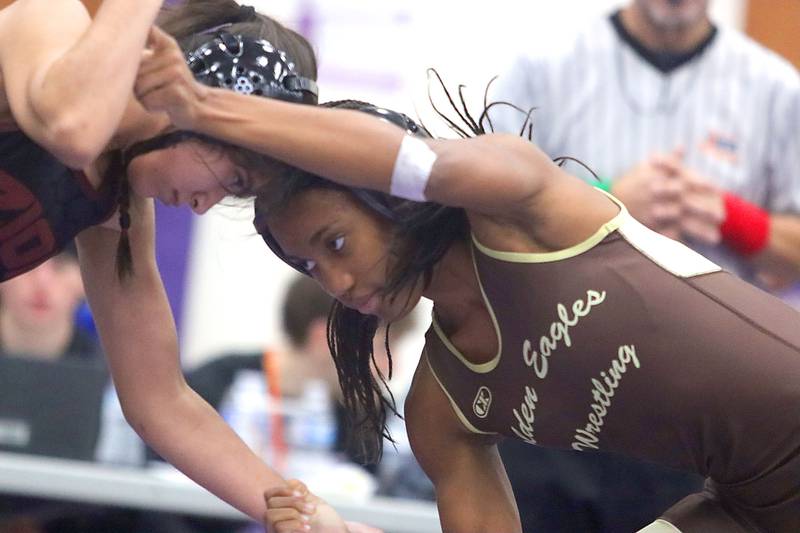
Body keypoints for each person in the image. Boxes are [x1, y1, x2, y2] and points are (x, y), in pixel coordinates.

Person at [135, 45, 800, 529]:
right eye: (310, 267)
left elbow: (420, 161)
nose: (336, 282)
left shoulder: (522, 209)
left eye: (335, 243)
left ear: (385, 198)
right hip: (745, 505)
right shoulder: (442, 406)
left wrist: (205, 109)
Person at [0, 0, 353, 527]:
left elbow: (161, 400)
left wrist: (311, 515)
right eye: (233, 179)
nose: (205, 203)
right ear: (194, 94)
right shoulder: (51, 17)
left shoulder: (116, 204)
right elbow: (72, 127)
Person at [485, 1, 800, 528]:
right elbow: (483, 215)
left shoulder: (775, 88)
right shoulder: (544, 65)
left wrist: (735, 219)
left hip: (699, 419)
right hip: (552, 400)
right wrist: (603, 201)